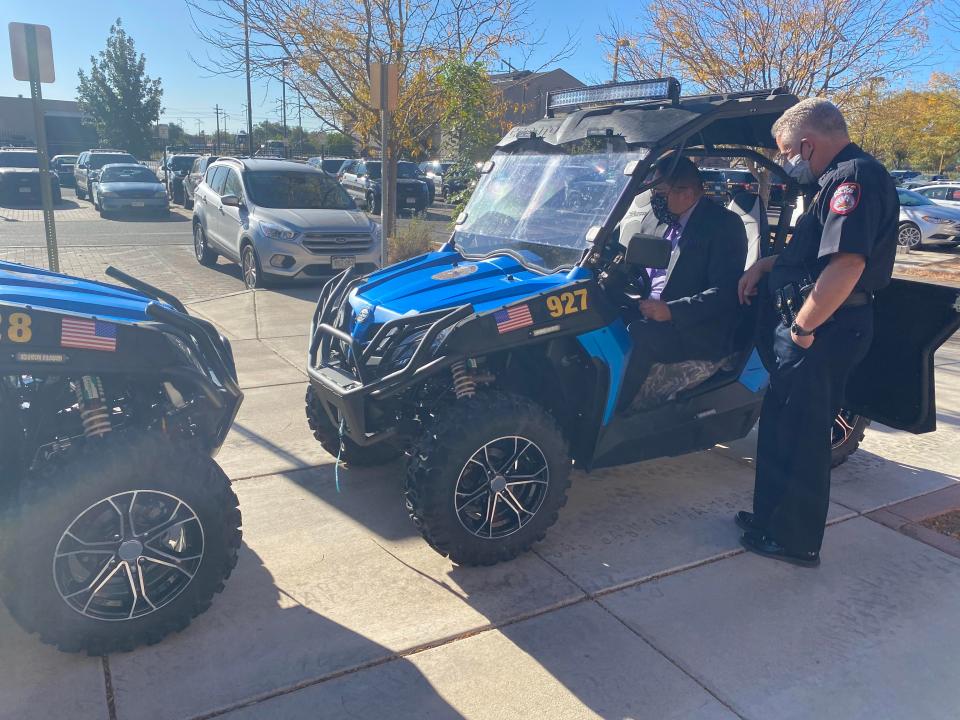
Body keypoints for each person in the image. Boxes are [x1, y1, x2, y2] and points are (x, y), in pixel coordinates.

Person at [736, 98, 898, 567]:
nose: (788, 162)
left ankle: (795, 540)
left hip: (825, 330)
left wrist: (804, 327)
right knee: (783, 424)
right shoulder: (832, 181)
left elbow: (847, 263)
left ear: (807, 144)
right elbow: (812, 255)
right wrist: (768, 266)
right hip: (811, 328)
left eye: (787, 152)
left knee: (805, 436)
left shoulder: (855, 180)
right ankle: (770, 519)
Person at [617, 156, 748, 409]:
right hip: (647, 306)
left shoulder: (723, 226)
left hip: (694, 327)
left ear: (687, 193)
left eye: (659, 193)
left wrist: (671, 311)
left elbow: (725, 293)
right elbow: (635, 263)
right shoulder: (655, 219)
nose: (655, 199)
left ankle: (618, 413)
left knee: (638, 335)